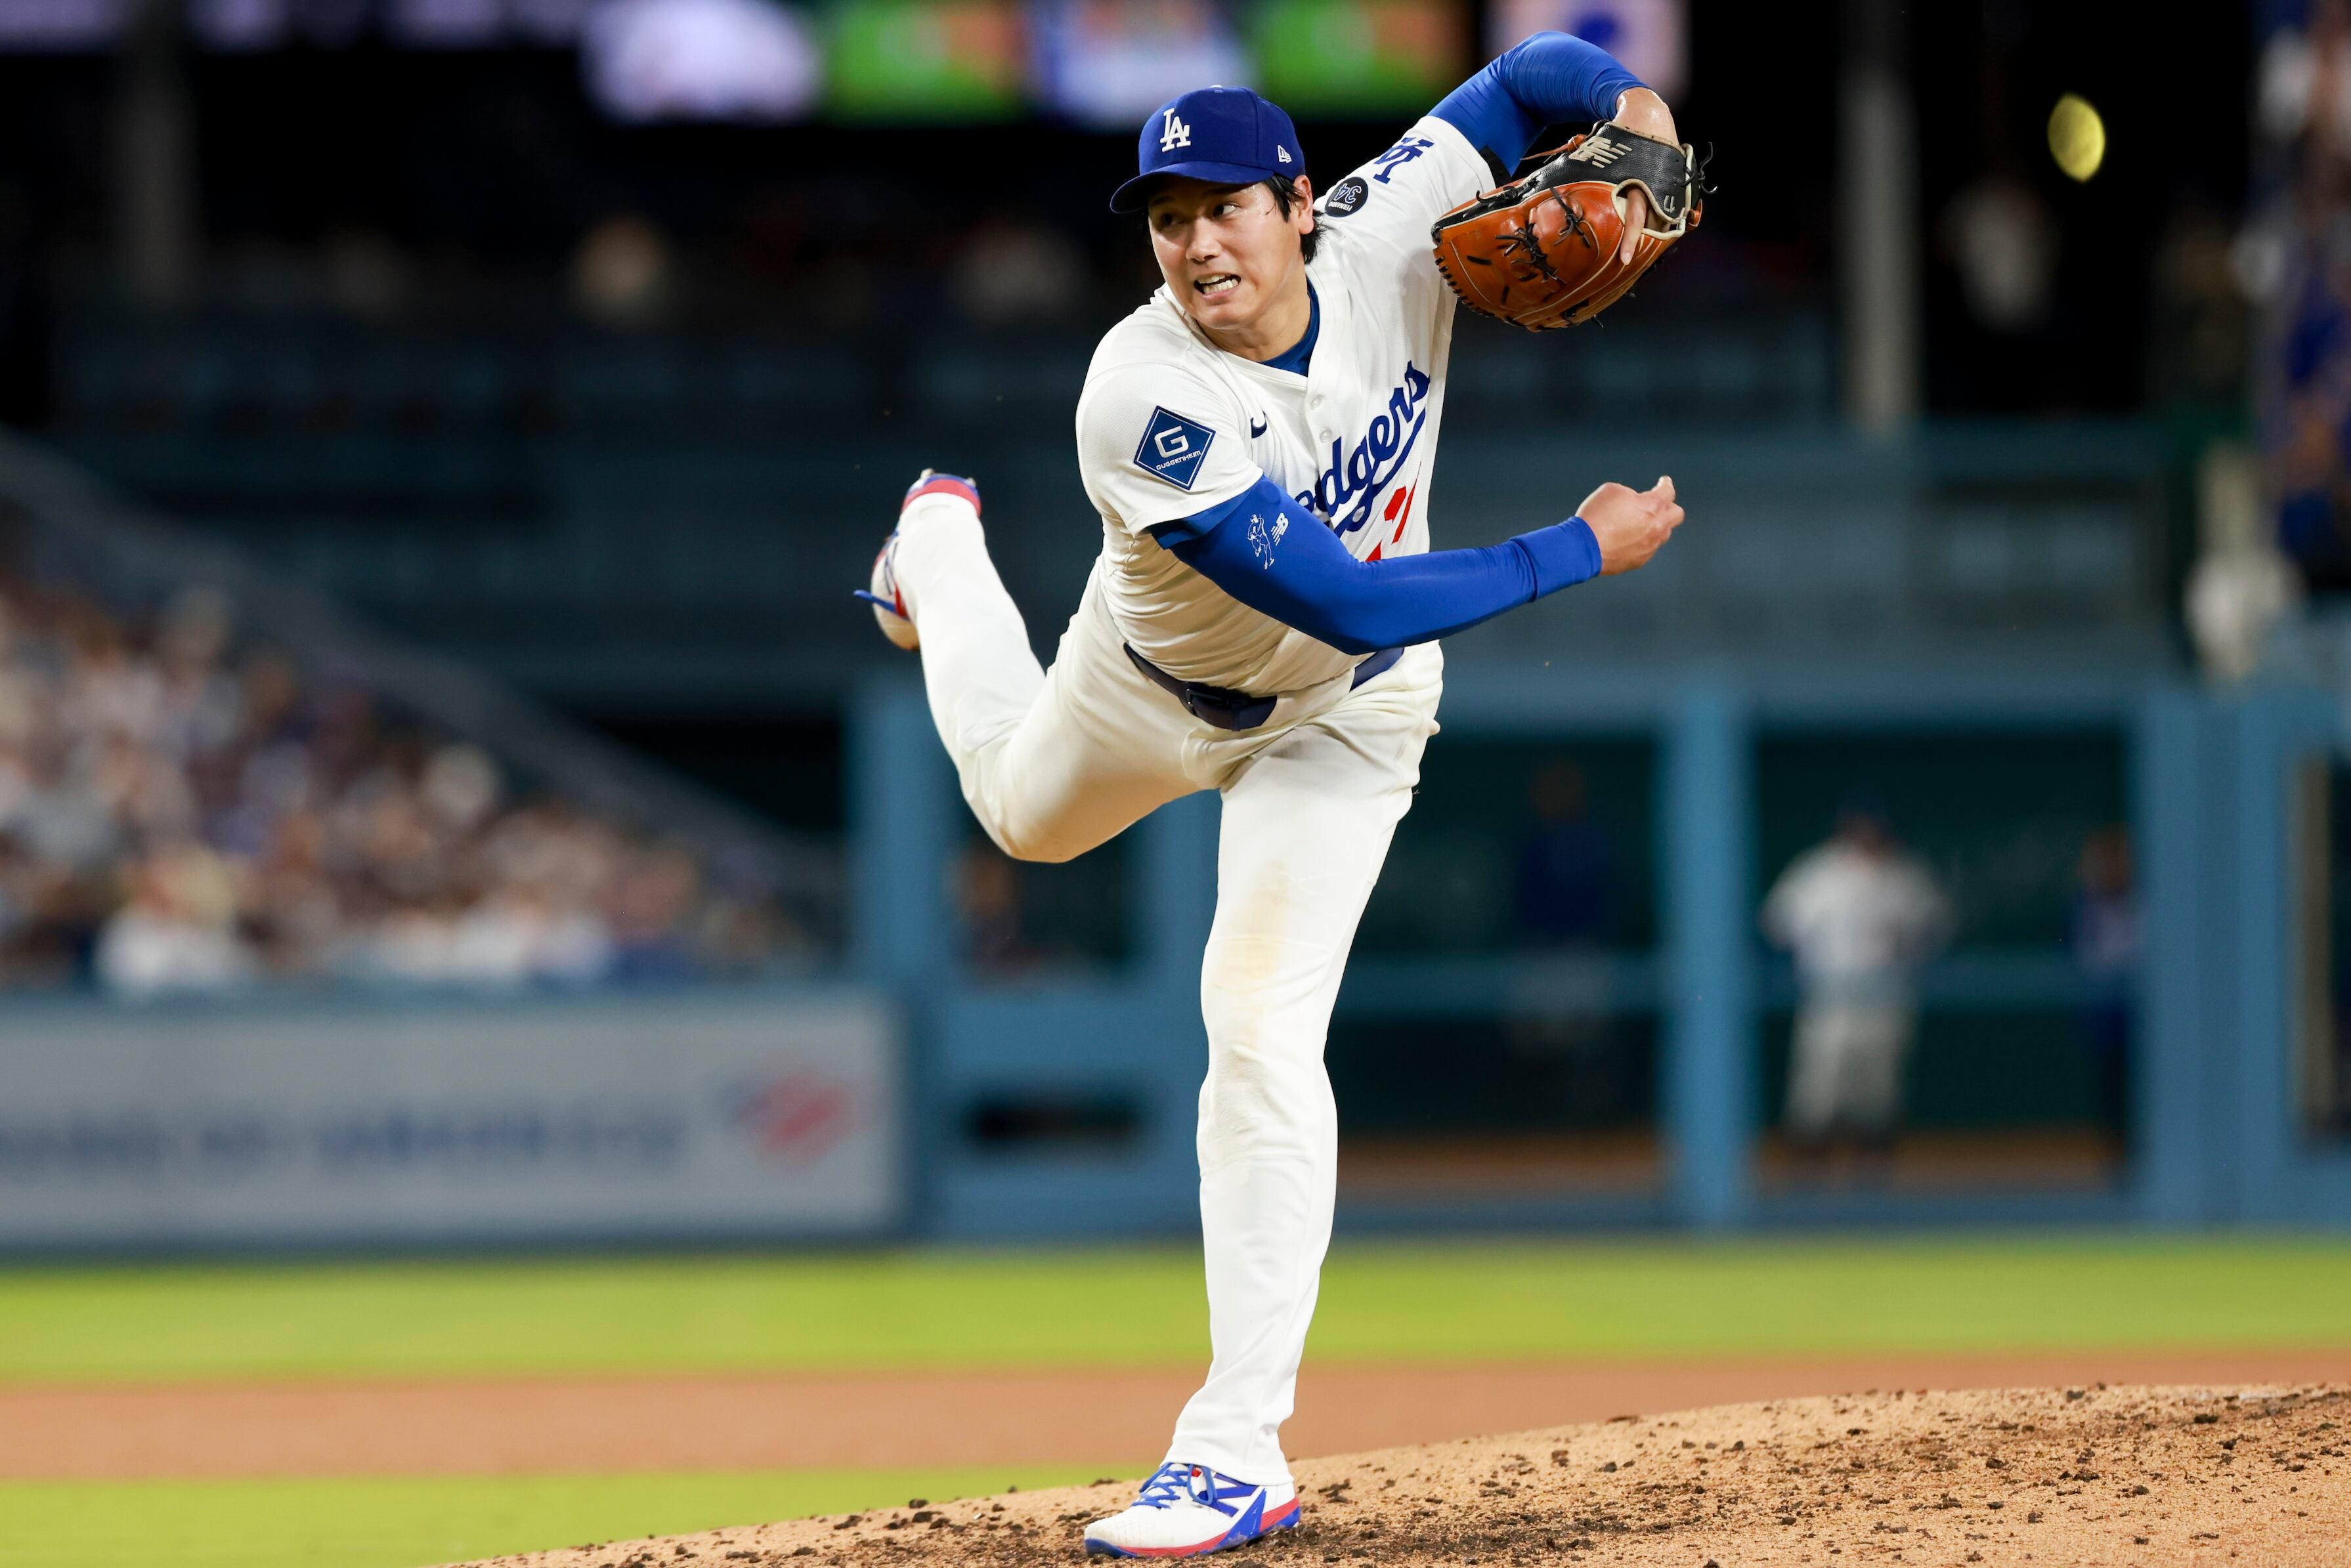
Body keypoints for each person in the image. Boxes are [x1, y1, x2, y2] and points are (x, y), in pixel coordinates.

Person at [856, 37, 1685, 1559]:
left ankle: (1232, 1449)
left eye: (1223, 206)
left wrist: (1634, 117)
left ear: (1300, 204)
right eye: (1165, 219)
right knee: (1017, 816)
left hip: (1340, 726)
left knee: (1253, 1027)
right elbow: (1342, 594)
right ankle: (936, 547)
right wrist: (1572, 549)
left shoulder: (1388, 230)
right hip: (1142, 685)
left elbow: (1524, 80)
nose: (1194, 242)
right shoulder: (1137, 390)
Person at [1761, 800, 1952, 1159]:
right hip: (1831, 999)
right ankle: (1806, 1184)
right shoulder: (1818, 872)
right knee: (1817, 1091)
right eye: (1859, 826)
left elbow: (1937, 933)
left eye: (1874, 826)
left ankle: (1871, 1184)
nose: (1866, 834)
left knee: (1879, 1094)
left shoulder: (1908, 877)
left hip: (1887, 999)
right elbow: (1778, 926)